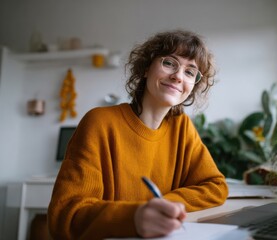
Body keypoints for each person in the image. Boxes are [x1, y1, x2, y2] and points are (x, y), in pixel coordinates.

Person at [48, 29, 228, 239]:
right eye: (169, 63)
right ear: (145, 68)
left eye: (190, 72)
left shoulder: (182, 127)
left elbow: (216, 187)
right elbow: (66, 216)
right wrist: (134, 217)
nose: (178, 76)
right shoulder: (99, 122)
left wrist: (162, 205)